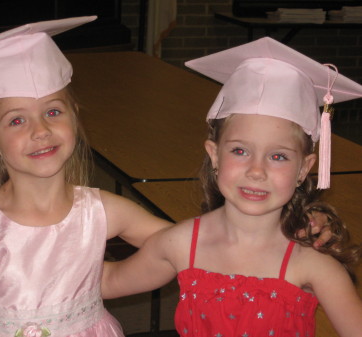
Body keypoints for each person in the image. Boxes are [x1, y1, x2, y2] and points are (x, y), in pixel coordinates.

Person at [0, 18, 333, 336]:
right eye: (16, 120)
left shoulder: (103, 211)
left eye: (53, 112)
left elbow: (198, 247)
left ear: (75, 120)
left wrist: (289, 231)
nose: (40, 130)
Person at [102, 37, 362, 337]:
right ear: (214, 154)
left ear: (304, 168)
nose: (256, 170)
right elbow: (108, 281)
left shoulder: (312, 262)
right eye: (240, 151)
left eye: (278, 156)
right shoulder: (181, 244)